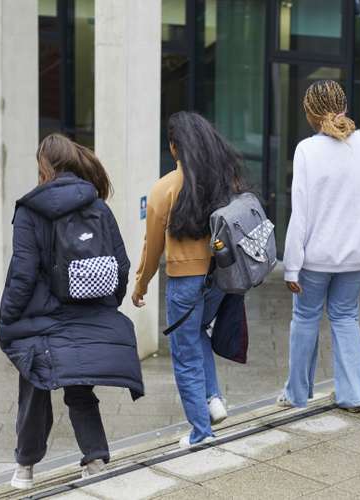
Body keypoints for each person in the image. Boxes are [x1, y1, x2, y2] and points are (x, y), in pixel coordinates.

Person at [0, 134, 144, 489]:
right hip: (88, 314)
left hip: (42, 320)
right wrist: (107, 305)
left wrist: (8, 317)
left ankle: (25, 469)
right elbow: (122, 265)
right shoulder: (98, 206)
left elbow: (23, 272)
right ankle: (95, 460)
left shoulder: (31, 210)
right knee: (80, 389)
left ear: (45, 167)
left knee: (34, 387)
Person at [132, 111, 248, 448]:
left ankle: (200, 433)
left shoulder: (164, 188)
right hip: (222, 278)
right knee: (198, 332)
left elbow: (152, 248)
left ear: (174, 147)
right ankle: (213, 399)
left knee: (184, 357)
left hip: (185, 283)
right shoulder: (226, 181)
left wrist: (140, 285)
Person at [278, 80, 360, 412]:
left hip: (317, 258)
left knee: (306, 319)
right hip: (359, 254)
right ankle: (355, 394)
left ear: (309, 114)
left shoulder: (307, 150)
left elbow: (301, 214)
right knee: (345, 316)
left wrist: (291, 264)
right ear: (345, 107)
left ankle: (296, 395)